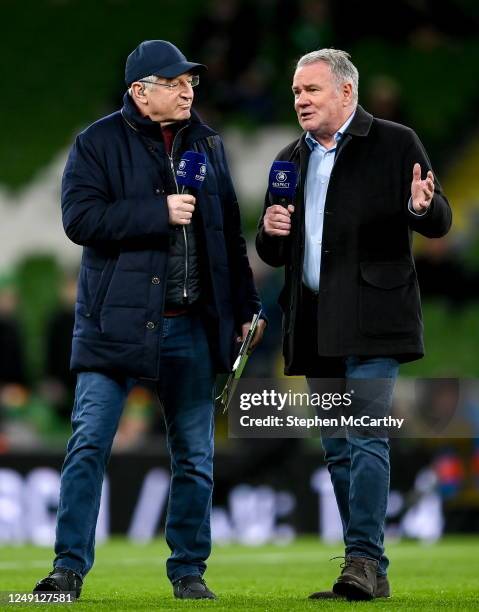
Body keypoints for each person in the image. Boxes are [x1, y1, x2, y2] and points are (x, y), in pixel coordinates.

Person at [34, 39, 265, 601]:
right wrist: (157, 213)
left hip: (191, 322)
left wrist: (243, 306)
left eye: (191, 82)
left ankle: (189, 570)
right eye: (174, 81)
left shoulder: (208, 142)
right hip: (115, 323)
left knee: (194, 454)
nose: (188, 89)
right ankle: (67, 569)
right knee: (89, 443)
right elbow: (79, 219)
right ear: (140, 91)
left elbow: (228, 233)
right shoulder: (96, 142)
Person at [256, 49, 451, 601]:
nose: (300, 100)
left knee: (365, 436)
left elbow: (440, 220)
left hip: (374, 319)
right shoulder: (288, 158)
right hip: (315, 320)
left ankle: (362, 560)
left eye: (311, 90)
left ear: (346, 92)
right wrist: (271, 231)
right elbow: (272, 250)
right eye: (296, 91)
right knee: (338, 446)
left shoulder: (394, 143)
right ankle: (369, 567)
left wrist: (421, 206)